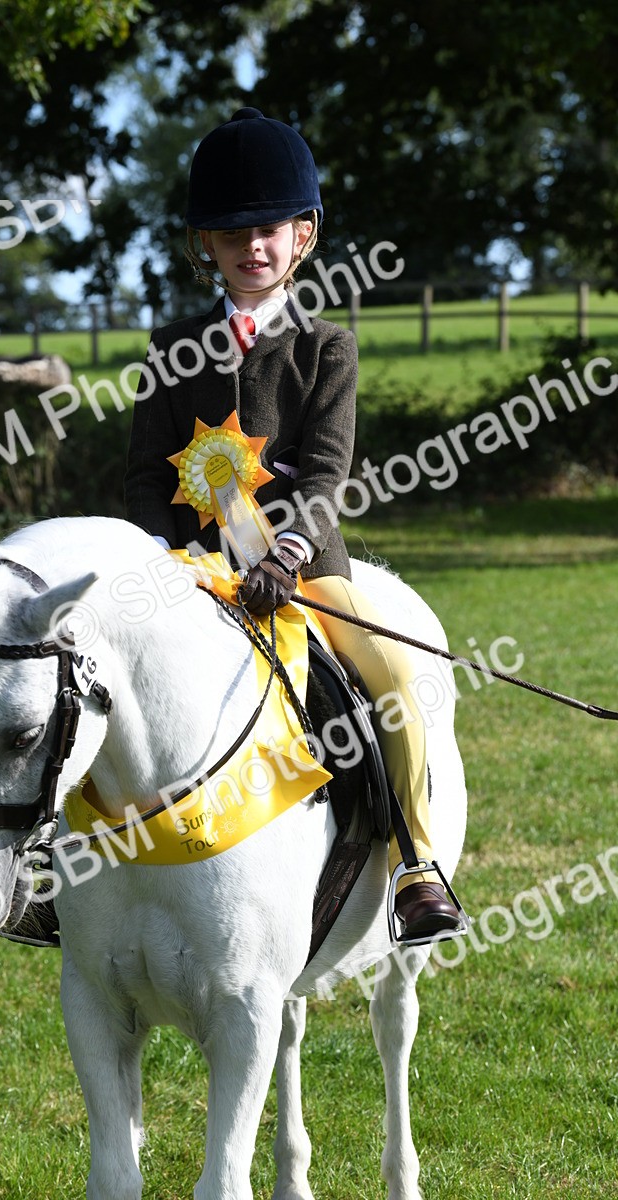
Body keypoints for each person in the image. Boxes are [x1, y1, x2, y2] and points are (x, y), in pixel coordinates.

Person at [124, 108, 465, 943]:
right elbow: (141, 479)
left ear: (303, 236)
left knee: (392, 679)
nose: (253, 247)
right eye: (231, 232)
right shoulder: (169, 350)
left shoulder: (328, 350)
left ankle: (418, 865)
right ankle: (60, 880)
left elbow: (325, 475)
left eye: (270, 228)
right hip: (191, 571)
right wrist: (166, 564)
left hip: (303, 569)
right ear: (204, 243)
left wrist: (285, 552)